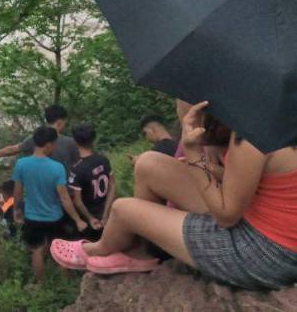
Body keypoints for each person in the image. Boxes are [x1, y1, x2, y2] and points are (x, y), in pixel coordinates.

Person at [50, 101, 297, 290]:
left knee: (123, 210)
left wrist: (193, 154)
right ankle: (140, 251)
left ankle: (96, 249)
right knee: (148, 164)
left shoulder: (251, 131)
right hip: (256, 214)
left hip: (266, 252)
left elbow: (226, 216)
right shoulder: (268, 113)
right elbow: (252, 181)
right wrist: (209, 164)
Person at [12, 126, 88, 283]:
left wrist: (16, 209)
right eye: (54, 144)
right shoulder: (57, 168)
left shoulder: (21, 164)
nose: (54, 147)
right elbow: (64, 198)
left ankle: (40, 285)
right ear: (47, 145)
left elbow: (18, 191)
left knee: (37, 251)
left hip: (32, 217)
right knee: (60, 249)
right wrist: (77, 219)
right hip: (55, 217)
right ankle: (66, 284)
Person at [0, 104, 80, 173]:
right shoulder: (70, 143)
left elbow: (11, 150)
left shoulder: (35, 139)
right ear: (60, 122)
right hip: (65, 194)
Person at [68, 124, 116, 241]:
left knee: (93, 247)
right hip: (107, 211)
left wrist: (90, 218)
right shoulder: (103, 159)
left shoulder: (76, 169)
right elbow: (112, 186)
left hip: (89, 217)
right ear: (93, 139)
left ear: (75, 141)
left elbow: (77, 201)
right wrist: (106, 214)